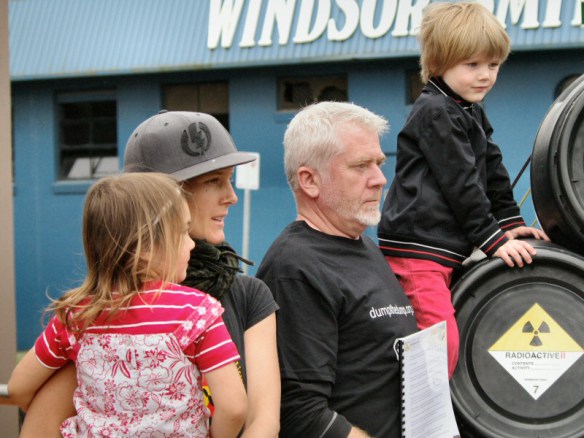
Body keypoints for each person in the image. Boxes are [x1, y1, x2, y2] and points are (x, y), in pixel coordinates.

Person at [19, 111, 280, 437]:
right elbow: (40, 424)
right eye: (214, 181)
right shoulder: (105, 315)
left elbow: (262, 422)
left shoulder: (249, 295)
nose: (232, 196)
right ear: (159, 196)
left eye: (229, 179)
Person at [377, 1, 549, 379]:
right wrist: (494, 240)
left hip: (445, 250)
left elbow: (491, 168)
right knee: (441, 345)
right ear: (439, 63)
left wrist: (510, 223)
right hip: (418, 251)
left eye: (493, 65)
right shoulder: (435, 111)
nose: (485, 75)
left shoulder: (468, 108)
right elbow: (461, 184)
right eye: (472, 65)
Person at [4, 172, 247, 437]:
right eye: (182, 233)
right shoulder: (198, 312)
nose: (191, 244)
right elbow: (234, 407)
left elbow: (18, 388)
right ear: (143, 249)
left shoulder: (76, 315)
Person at [256, 101, 418, 437]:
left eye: (379, 163)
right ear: (310, 180)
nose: (380, 179)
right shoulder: (295, 267)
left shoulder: (366, 248)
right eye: (361, 166)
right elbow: (302, 413)